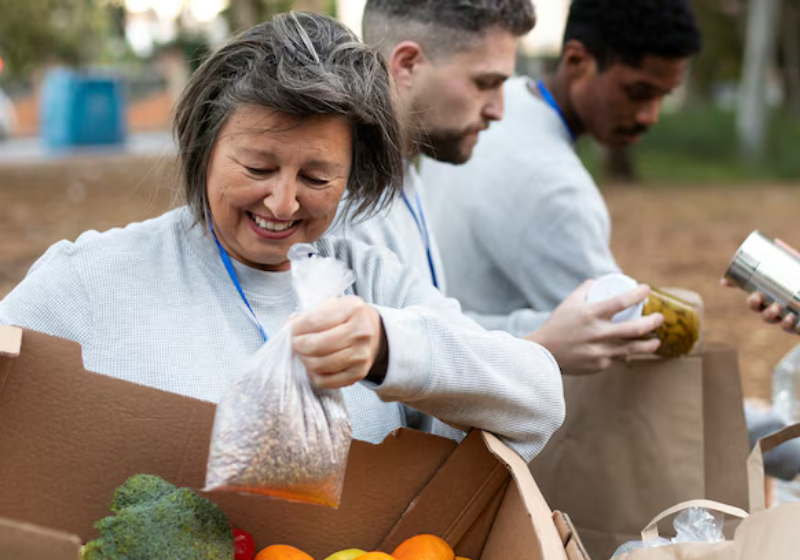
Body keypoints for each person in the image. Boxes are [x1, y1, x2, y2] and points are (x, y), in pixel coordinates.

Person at [0, 13, 564, 463]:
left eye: (317, 178)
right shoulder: (92, 281)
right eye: (258, 168)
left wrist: (388, 349)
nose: (282, 203)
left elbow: (538, 400)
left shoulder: (371, 284)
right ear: (204, 149)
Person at [338, 0, 664, 375]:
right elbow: (372, 385)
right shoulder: (338, 203)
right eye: (485, 83)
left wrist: (545, 334)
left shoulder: (403, 173)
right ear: (408, 64)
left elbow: (427, 332)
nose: (498, 110)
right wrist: (539, 349)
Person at [421, 0, 701, 337]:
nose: (649, 116)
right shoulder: (555, 186)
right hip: (484, 361)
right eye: (637, 92)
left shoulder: (486, 106)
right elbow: (619, 324)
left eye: (663, 96)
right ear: (577, 61)